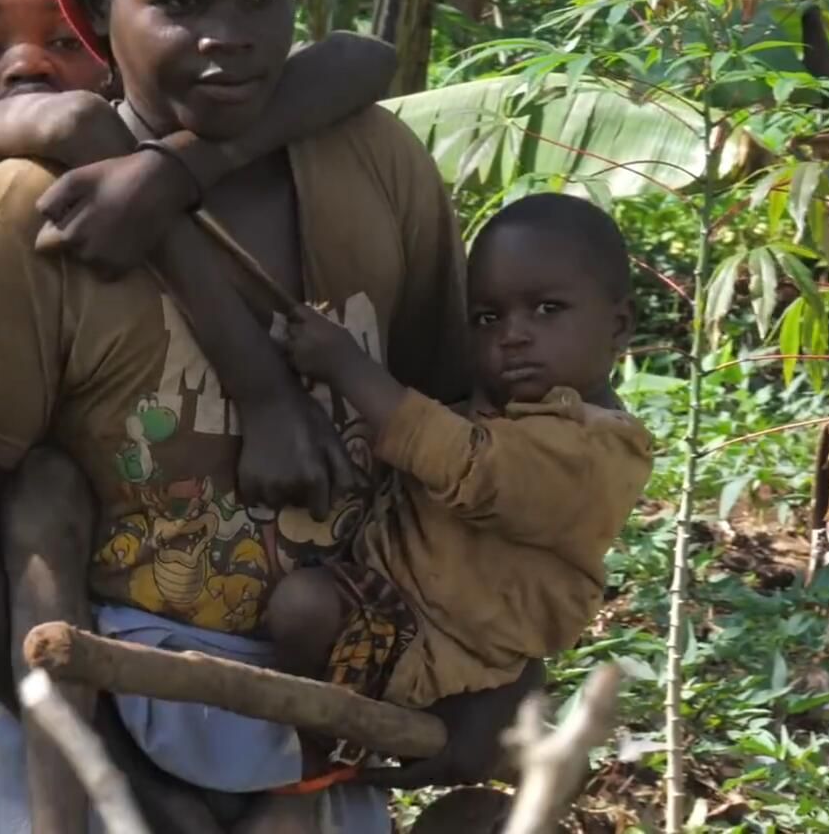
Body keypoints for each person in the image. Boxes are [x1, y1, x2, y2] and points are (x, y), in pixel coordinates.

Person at [0, 0, 541, 834]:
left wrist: (476, 665)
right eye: (182, 3)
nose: (228, 39)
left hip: (319, 701)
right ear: (100, 15)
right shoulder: (28, 217)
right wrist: (117, 774)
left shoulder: (377, 168)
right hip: (73, 703)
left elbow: (450, 429)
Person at [0, 0, 396, 829]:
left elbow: (361, 61)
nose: (25, 65)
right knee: (38, 493)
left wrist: (175, 168)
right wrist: (129, 776)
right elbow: (64, 121)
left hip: (106, 619)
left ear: (110, 48)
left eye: (57, 41)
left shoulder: (113, 200)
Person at [268, 193, 653, 725]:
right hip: (398, 611)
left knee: (301, 609)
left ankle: (318, 743)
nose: (512, 335)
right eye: (488, 318)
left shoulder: (598, 450)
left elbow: (471, 466)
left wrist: (346, 365)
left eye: (547, 309)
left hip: (438, 652)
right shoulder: (514, 408)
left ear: (619, 326)